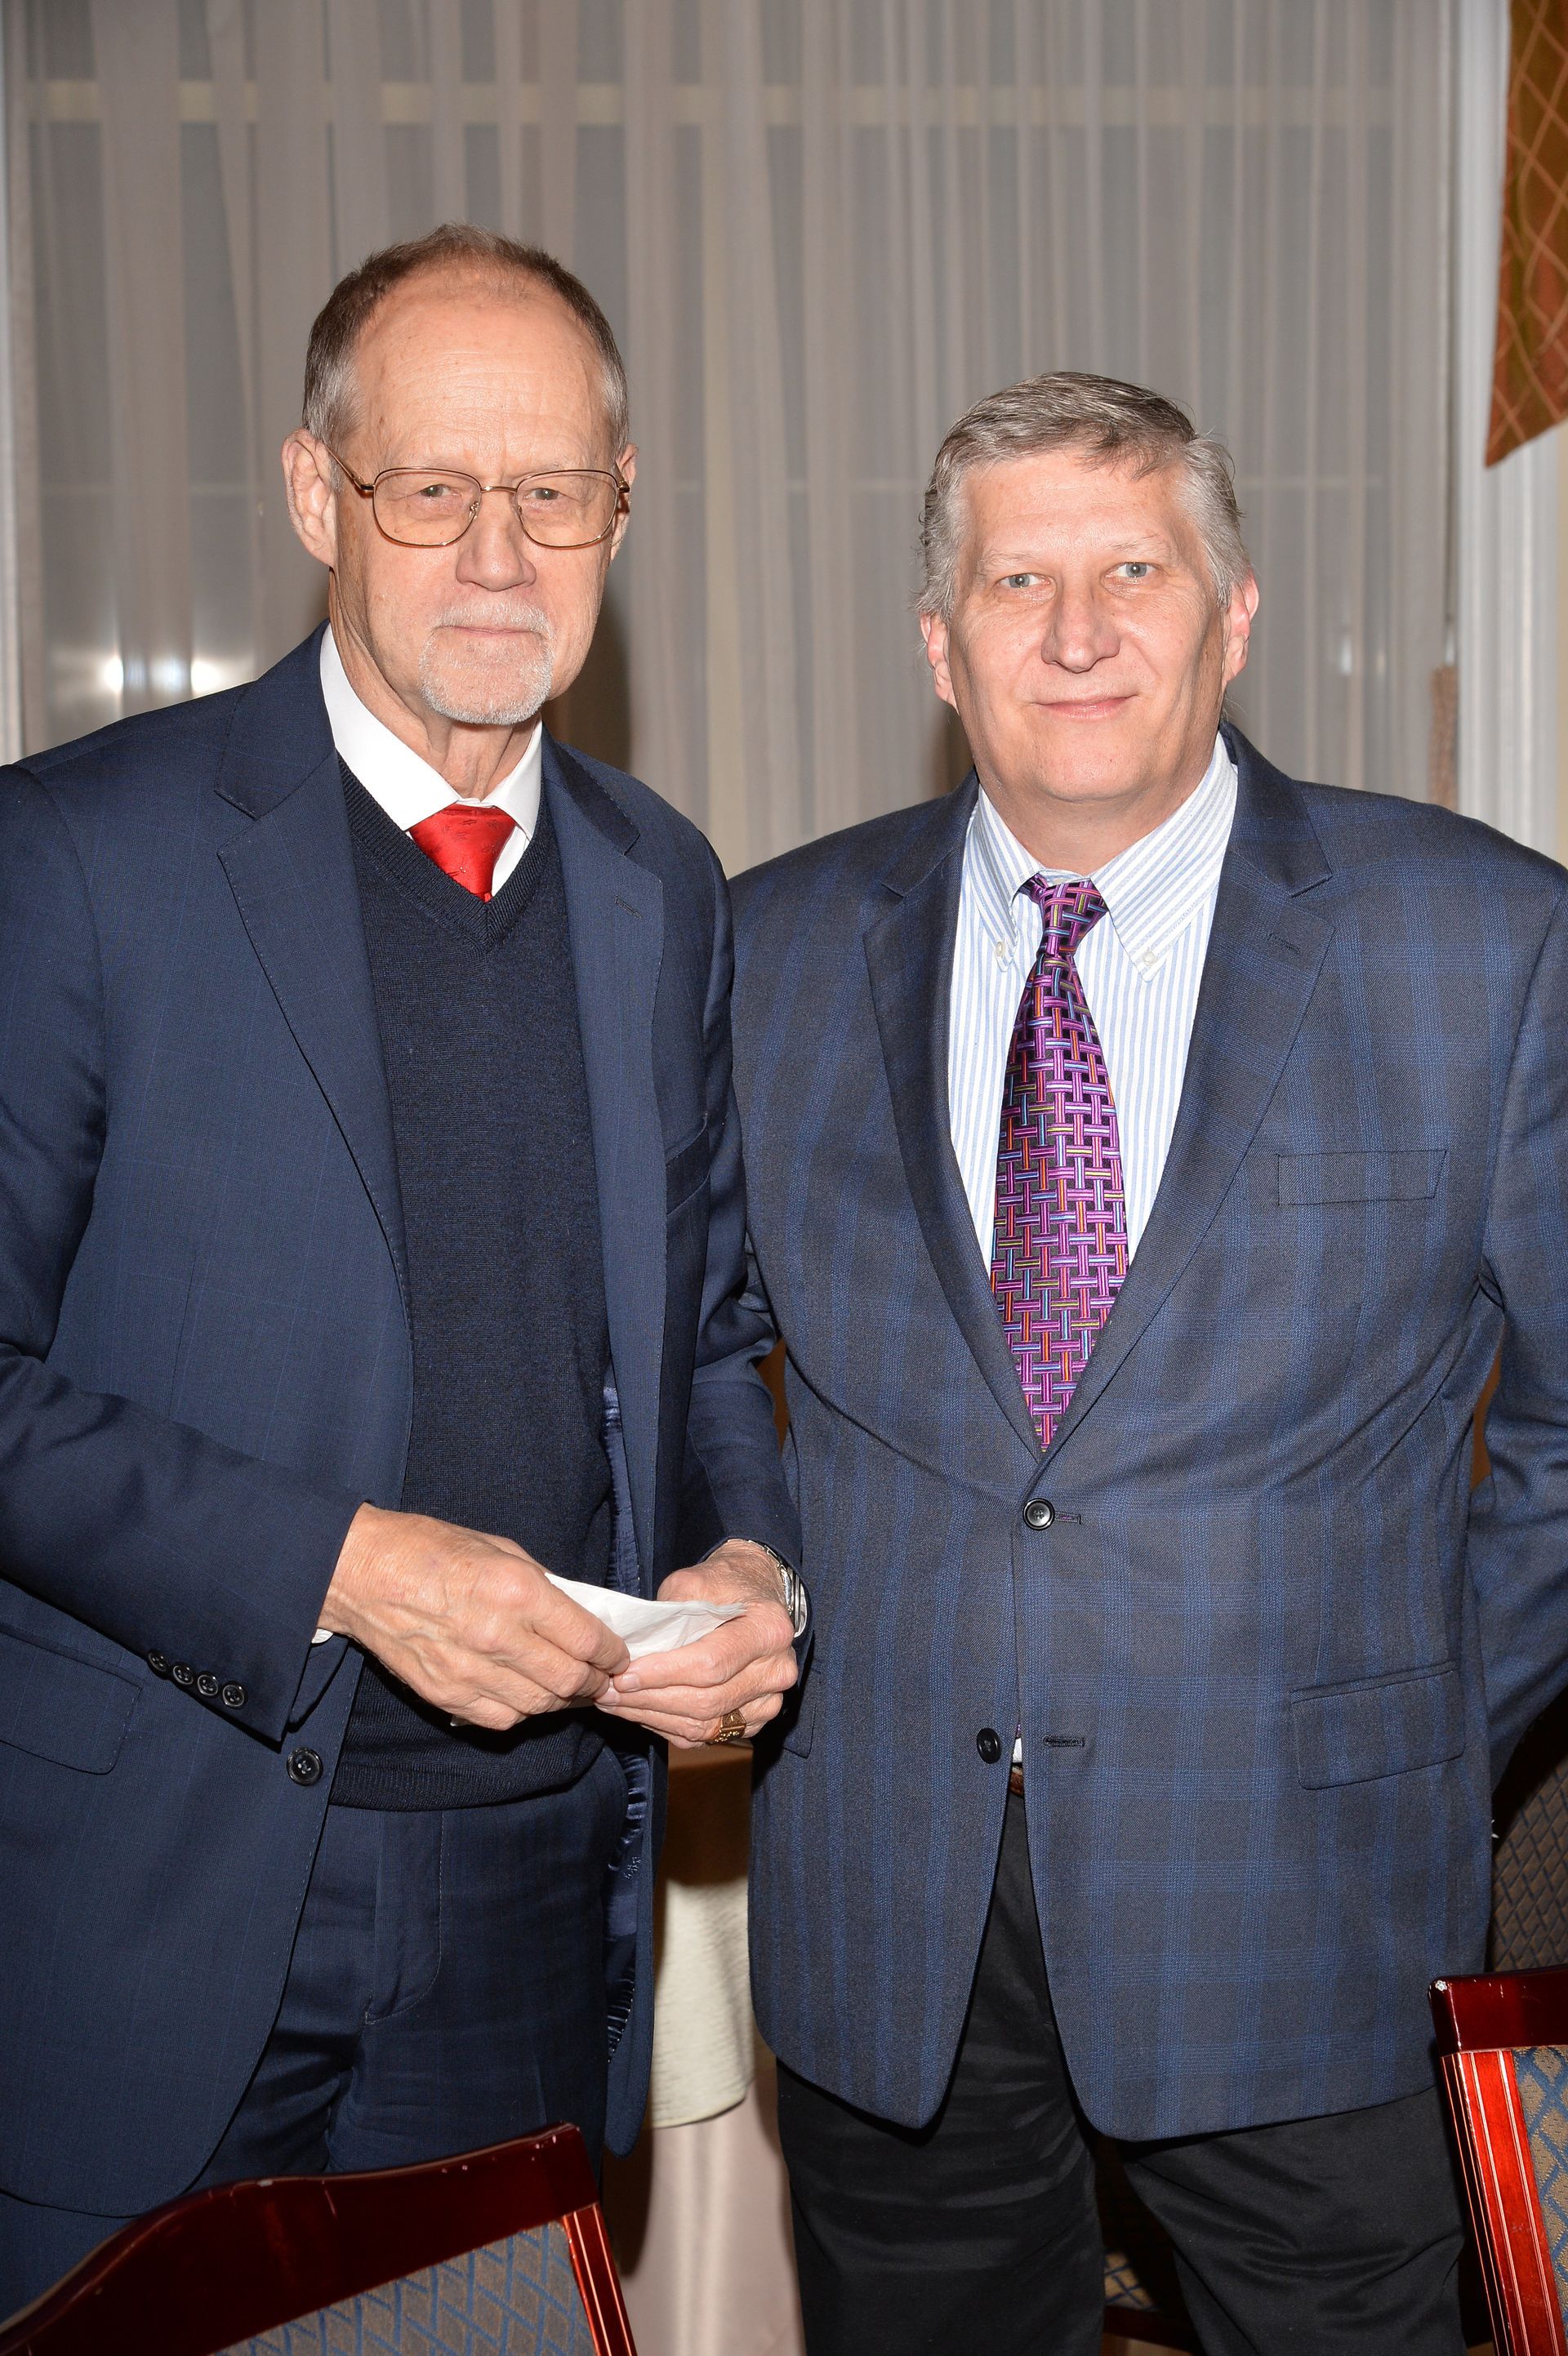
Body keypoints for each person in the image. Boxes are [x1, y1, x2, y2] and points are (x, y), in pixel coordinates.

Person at [0, 223, 803, 2314]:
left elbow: (713, 1327)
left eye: (553, 495)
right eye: (429, 489)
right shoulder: (74, 859)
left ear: (621, 510)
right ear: (311, 497)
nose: (496, 556)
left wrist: (749, 1565)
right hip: (157, 1889)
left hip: (544, 1884)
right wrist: (346, 1569)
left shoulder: (662, 885)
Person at [730, 370, 1568, 2356]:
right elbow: (700, 1353)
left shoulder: (1487, 941)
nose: (1081, 629)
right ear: (941, 645)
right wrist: (745, 1587)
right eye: (1019, 580)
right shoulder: (759, 949)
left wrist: (1428, 1708)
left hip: (1303, 1891)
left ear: (1236, 611)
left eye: (1135, 568)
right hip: (883, 1897)